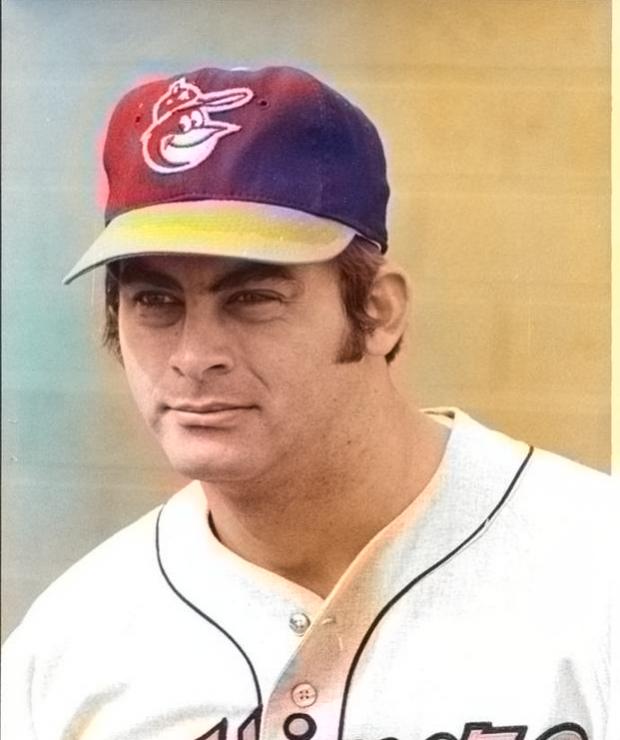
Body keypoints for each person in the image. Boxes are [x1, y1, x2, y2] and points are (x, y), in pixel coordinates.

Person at [2, 65, 617, 740]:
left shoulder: (596, 569)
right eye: (154, 300)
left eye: (252, 297)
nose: (194, 355)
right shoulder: (67, 648)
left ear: (378, 312)